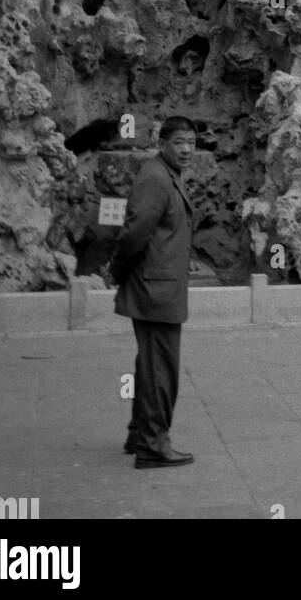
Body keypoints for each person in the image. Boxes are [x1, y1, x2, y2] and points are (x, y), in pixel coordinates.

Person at [111, 116, 196, 469]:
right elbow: (134, 233)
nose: (187, 149)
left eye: (191, 142)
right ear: (163, 143)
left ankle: (138, 435)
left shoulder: (167, 175)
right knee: (161, 370)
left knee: (150, 366)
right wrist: (117, 269)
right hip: (155, 291)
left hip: (160, 286)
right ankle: (153, 446)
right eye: (179, 142)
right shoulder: (156, 178)